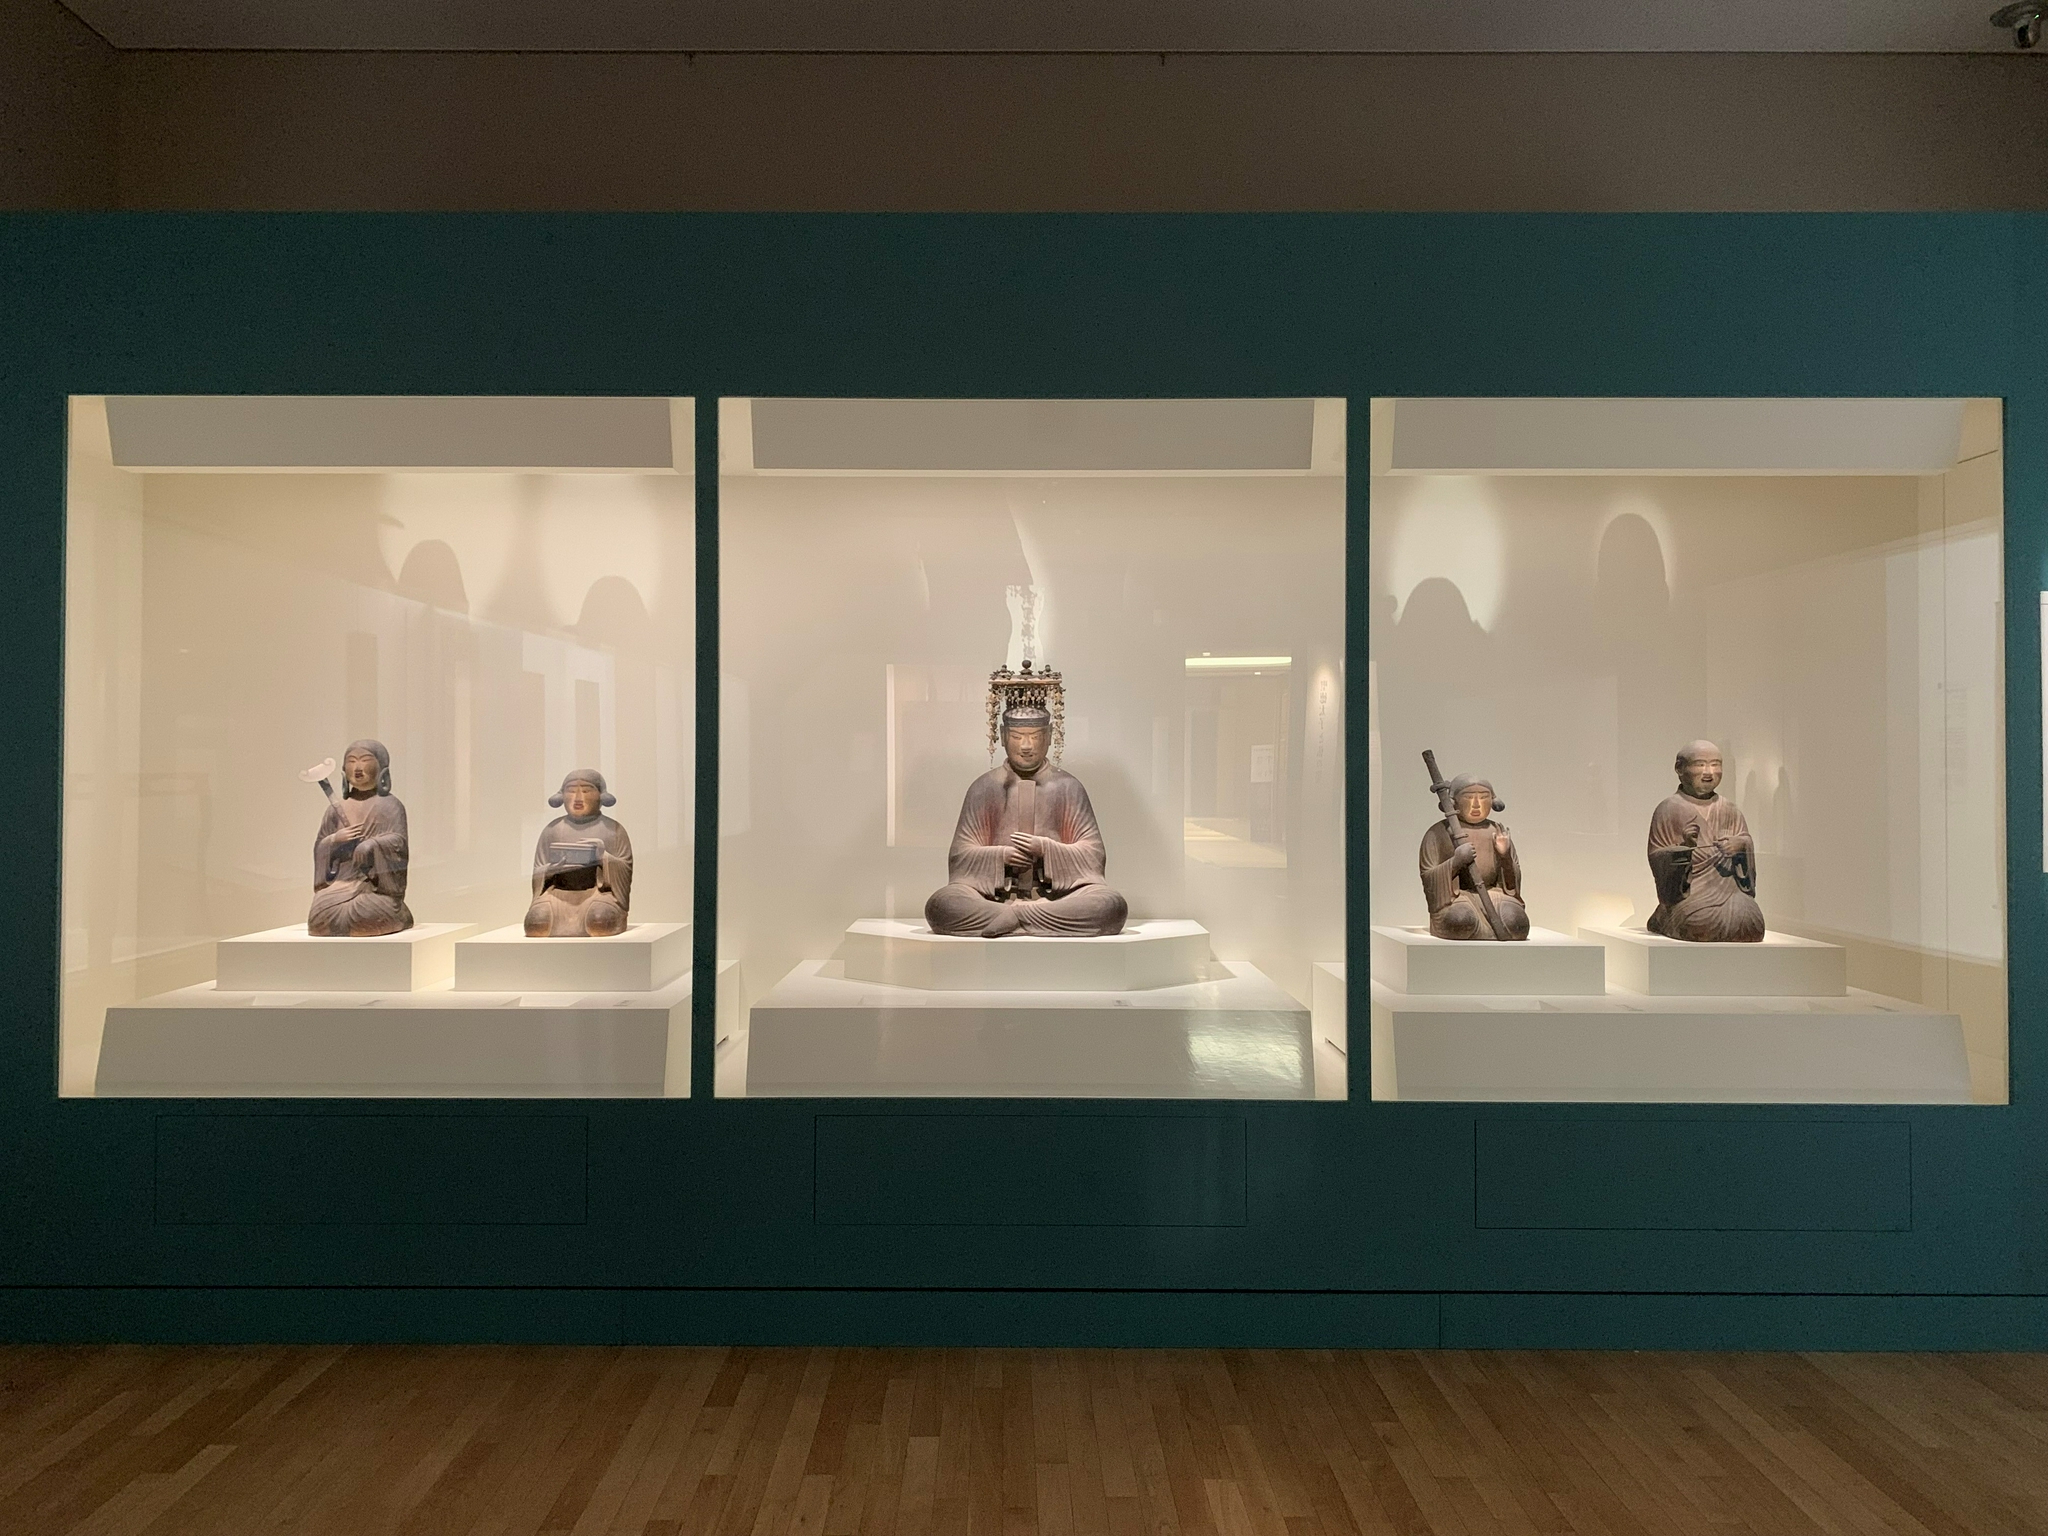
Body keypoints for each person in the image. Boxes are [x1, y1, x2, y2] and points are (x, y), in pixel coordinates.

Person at [924, 703, 1127, 938]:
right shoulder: (984, 787)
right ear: (1002, 736)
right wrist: (1001, 856)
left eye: (1036, 736)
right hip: (994, 899)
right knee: (941, 905)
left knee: (1110, 906)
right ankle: (1030, 919)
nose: (1027, 746)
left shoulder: (1069, 787)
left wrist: (1045, 849)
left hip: (1057, 898)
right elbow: (960, 857)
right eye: (1017, 736)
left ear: (1049, 736)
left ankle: (1016, 917)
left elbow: (1093, 856)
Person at [1646, 740, 1765, 942]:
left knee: (1751, 921)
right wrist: (1685, 848)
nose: (1708, 772)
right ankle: (1665, 918)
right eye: (1700, 764)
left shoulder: (1729, 809)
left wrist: (1741, 845)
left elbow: (1745, 842)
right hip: (1693, 893)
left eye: (1715, 764)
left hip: (1728, 891)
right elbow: (1657, 856)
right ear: (1679, 768)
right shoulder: (1669, 809)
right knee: (1700, 923)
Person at [307, 739, 413, 937]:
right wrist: (334, 840)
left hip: (373, 887)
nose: (357, 768)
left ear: (382, 769)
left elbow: (399, 843)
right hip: (342, 884)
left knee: (368, 913)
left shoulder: (390, 806)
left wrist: (372, 845)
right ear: (344, 770)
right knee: (320, 916)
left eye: (365, 760)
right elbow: (320, 847)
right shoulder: (334, 810)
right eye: (351, 761)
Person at [1418, 774, 1529, 940]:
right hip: (1458, 897)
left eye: (1483, 797)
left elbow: (1513, 881)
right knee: (1460, 921)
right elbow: (1428, 875)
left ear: (1493, 801)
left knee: (1517, 923)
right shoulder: (1438, 832)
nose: (1476, 804)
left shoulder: (1497, 830)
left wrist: (1505, 856)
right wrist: (1455, 862)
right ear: (1454, 802)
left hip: (1493, 894)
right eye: (1468, 797)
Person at [525, 769, 633, 937]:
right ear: (562, 796)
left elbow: (625, 868)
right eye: (571, 791)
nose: (578, 797)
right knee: (537, 924)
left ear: (600, 796)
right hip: (557, 894)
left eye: (586, 791)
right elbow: (538, 871)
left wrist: (602, 856)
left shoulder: (613, 829)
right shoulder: (552, 829)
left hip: (597, 894)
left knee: (600, 922)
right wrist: (552, 868)